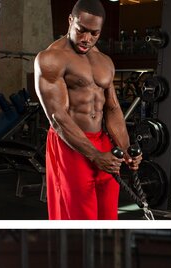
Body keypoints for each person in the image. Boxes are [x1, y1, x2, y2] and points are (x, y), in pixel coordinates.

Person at [34, 0, 141, 220]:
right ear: (70, 21)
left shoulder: (104, 61)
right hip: (69, 143)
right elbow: (57, 117)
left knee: (108, 215)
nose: (86, 39)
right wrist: (93, 155)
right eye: (81, 30)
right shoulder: (51, 59)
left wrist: (126, 148)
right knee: (78, 216)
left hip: (102, 141)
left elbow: (112, 108)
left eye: (94, 34)